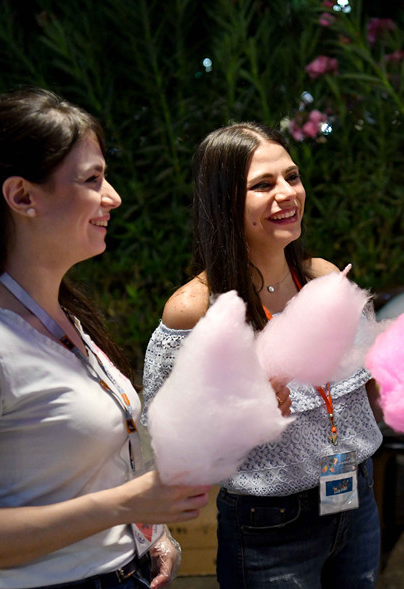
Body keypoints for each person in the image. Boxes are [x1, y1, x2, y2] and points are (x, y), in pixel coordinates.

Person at [0, 88, 210, 589]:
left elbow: (87, 477)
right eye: (92, 179)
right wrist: (127, 504)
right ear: (22, 196)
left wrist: (150, 534)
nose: (113, 197)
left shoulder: (65, 319)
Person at [142, 122, 383, 587]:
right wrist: (242, 411)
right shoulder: (195, 308)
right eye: (263, 185)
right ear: (225, 201)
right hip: (270, 524)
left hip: (357, 498)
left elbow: (366, 389)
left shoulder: (324, 277)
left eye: (292, 177)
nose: (287, 194)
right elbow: (167, 439)